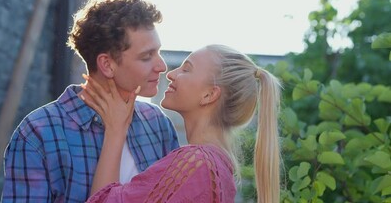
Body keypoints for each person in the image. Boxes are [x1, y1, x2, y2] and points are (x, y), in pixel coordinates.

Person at [1, 0, 179, 202]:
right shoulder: (39, 133)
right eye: (146, 57)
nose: (161, 66)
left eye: (158, 52)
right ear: (107, 64)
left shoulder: (158, 124)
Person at [81, 44, 282, 203]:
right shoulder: (219, 168)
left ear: (209, 94)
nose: (171, 74)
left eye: (186, 69)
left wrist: (115, 130)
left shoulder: (196, 162)